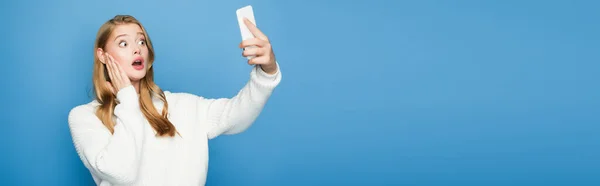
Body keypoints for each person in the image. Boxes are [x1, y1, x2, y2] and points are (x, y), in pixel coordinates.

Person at [67, 14, 281, 185]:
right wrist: (127, 98)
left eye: (141, 41)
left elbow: (236, 115)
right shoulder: (85, 117)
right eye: (123, 44)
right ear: (103, 56)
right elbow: (122, 174)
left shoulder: (183, 105)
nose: (136, 48)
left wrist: (267, 71)